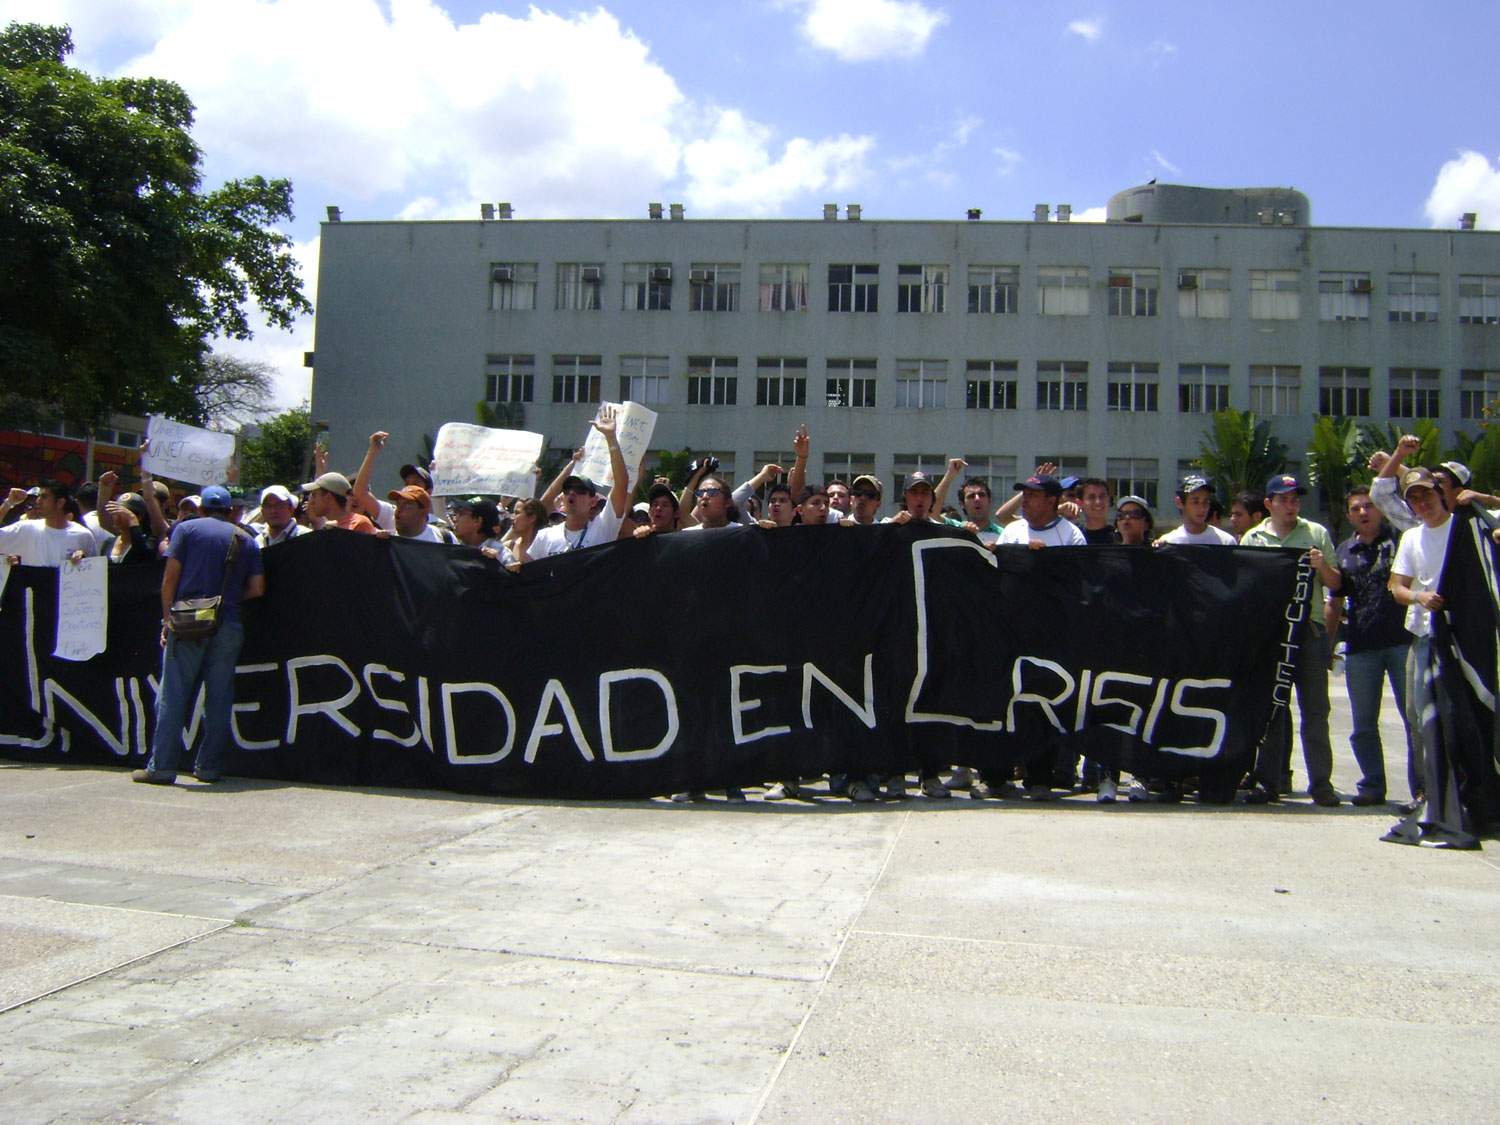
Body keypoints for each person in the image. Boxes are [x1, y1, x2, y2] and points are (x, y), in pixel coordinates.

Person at [131, 485, 265, 785]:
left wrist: (167, 619)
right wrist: (225, 601)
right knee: (218, 698)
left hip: (189, 621)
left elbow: (170, 577)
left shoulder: (186, 530)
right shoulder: (246, 539)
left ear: (201, 508)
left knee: (173, 695)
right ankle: (208, 768)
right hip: (229, 623)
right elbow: (257, 589)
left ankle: (162, 767)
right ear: (231, 511)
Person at [1241, 474, 1341, 807]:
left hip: (1309, 632)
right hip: (1271, 635)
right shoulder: (1254, 538)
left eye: (1295, 499)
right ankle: (1270, 781)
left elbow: (1337, 584)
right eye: (1283, 499)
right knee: (1273, 711)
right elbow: (1245, 587)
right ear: (1268, 504)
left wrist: (1321, 565)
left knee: (1316, 710)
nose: (1290, 504)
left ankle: (1322, 784)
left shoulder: (1316, 534)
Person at [1325, 487, 1415, 808]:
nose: (1364, 512)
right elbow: (1335, 600)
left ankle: (1422, 790)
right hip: (1361, 647)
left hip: (1403, 644)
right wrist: (1328, 642)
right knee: (1363, 723)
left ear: (1380, 510)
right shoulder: (1345, 551)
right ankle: (1372, 785)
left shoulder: (1401, 540)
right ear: (1349, 516)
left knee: (1413, 721)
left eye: (1369, 506)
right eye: (1356, 509)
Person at [0, 480, 98, 565]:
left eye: (44, 497)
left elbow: (93, 572)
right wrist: (8, 503)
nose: (38, 501)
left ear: (60, 502)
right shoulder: (26, 529)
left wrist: (82, 559)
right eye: (39, 496)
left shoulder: (83, 536)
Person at [996, 474, 1086, 549]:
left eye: (1032, 495)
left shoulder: (1072, 535)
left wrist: (1045, 555)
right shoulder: (1012, 529)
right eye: (1024, 494)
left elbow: (1077, 570)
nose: (1025, 499)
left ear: (1051, 501)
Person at [1157, 476, 1237, 545]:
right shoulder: (1170, 541)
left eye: (1206, 502)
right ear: (1180, 503)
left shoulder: (1225, 542)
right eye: (1195, 502)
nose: (1202, 508)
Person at [301, 472, 378, 534]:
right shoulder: (325, 528)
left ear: (328, 497)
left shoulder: (359, 524)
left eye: (314, 495)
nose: (311, 502)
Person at [387, 485, 458, 542]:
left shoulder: (444, 538)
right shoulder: (388, 542)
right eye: (398, 504)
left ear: (424, 512)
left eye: (407, 505)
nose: (399, 509)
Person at [1076, 477, 1117, 545]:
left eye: (1102, 496)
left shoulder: (1118, 537)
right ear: (1080, 503)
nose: (1098, 502)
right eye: (1091, 497)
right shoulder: (1075, 537)